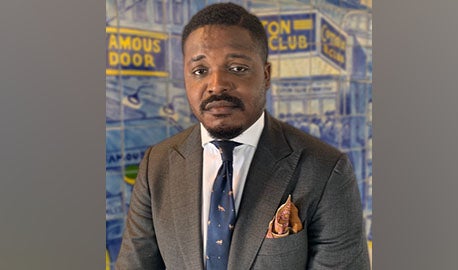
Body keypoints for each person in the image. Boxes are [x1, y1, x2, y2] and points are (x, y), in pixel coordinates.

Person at [116, 3, 370, 270]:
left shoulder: (325, 169)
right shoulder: (157, 164)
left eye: (237, 68)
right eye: (200, 71)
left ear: (266, 75)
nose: (216, 85)